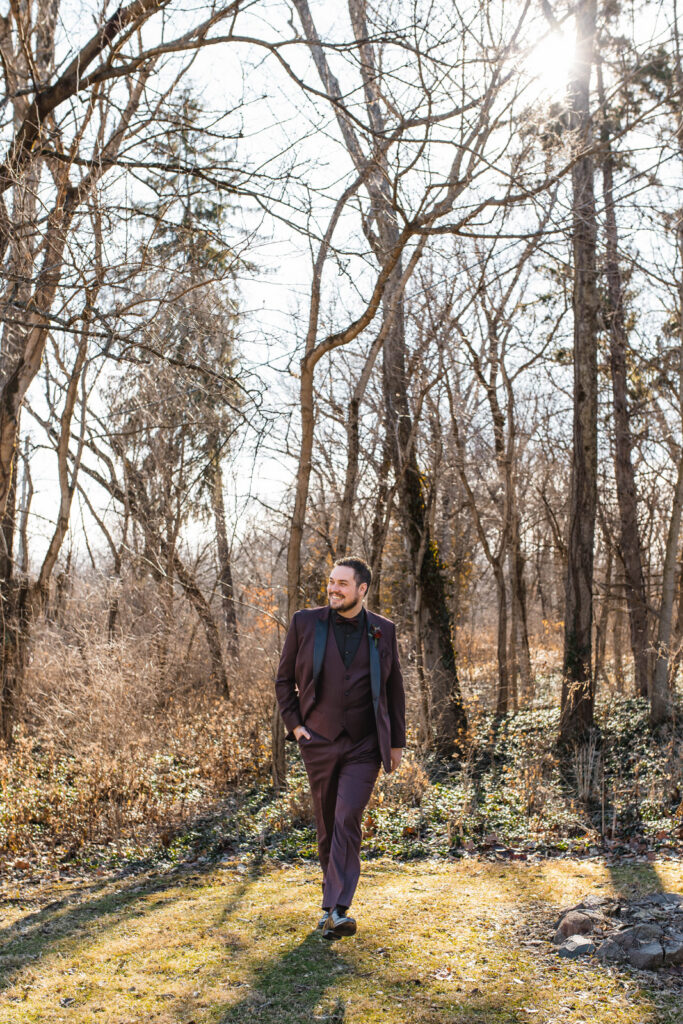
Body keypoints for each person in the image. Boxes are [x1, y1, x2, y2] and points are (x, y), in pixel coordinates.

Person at [275, 556, 406, 940]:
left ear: (362, 589)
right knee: (328, 822)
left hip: (365, 745)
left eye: (342, 584)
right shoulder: (305, 623)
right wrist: (297, 727)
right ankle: (331, 906)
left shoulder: (383, 630)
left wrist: (396, 741)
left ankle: (337, 908)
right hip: (318, 741)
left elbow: (394, 688)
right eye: (331, 582)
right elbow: (283, 681)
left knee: (348, 815)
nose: (333, 588)